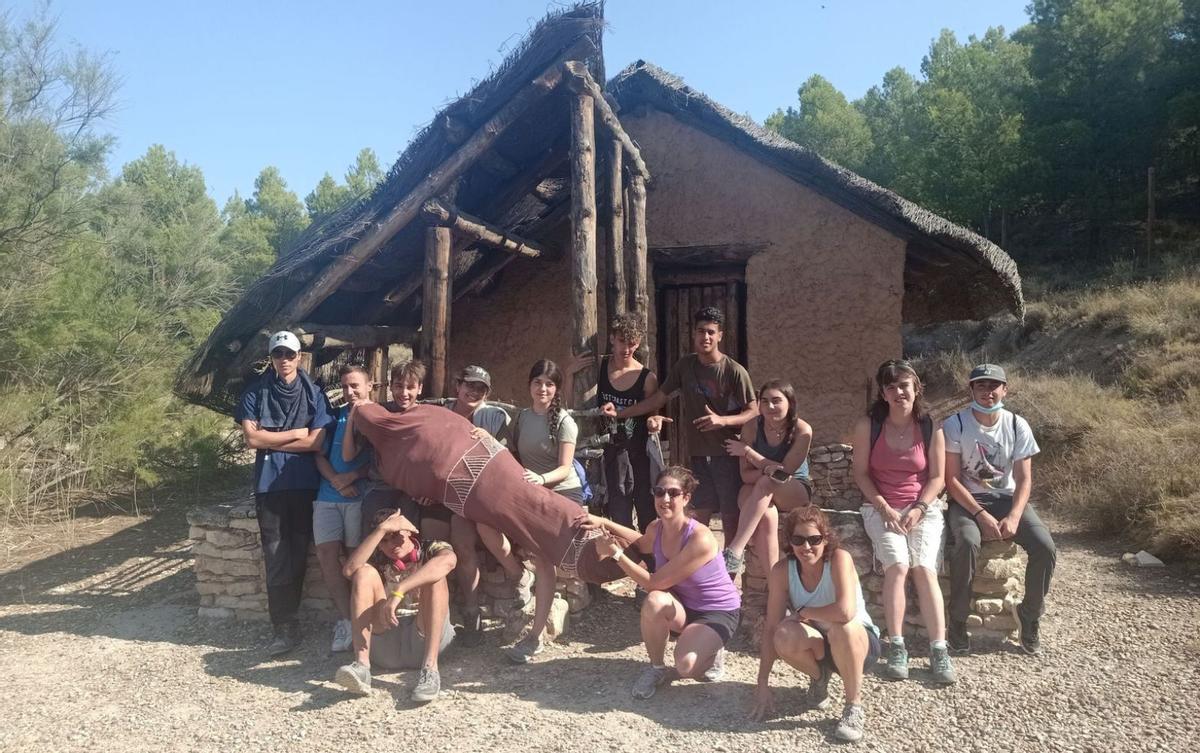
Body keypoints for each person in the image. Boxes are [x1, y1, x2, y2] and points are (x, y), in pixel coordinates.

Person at [344, 402, 643, 661]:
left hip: (532, 499)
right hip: (502, 502)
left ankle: (535, 630)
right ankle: (535, 631)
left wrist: (606, 528)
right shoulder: (391, 458)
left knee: (560, 550)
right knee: (543, 552)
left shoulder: (419, 422)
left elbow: (642, 547)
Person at [602, 307, 757, 540]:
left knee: (729, 517)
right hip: (696, 454)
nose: (706, 337)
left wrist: (722, 420)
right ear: (693, 334)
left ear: (720, 335)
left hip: (727, 455)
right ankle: (695, 569)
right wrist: (622, 414)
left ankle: (728, 572)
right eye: (701, 331)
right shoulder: (685, 367)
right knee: (698, 517)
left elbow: (753, 411)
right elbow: (658, 398)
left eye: (711, 332)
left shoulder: (734, 371)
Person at [592, 466, 742, 699]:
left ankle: (713, 649)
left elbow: (654, 582)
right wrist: (603, 521)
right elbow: (639, 543)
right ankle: (656, 668)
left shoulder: (699, 538)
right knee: (654, 603)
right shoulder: (657, 528)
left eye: (673, 493)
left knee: (686, 667)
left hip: (717, 611)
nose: (665, 499)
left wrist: (615, 554)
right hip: (684, 605)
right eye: (659, 492)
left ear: (686, 498)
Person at [851, 360, 955, 683]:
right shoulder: (869, 426)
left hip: (922, 507)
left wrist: (919, 509)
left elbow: (937, 477)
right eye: (892, 387)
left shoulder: (929, 426)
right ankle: (897, 644)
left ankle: (939, 648)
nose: (899, 392)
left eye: (904, 385)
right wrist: (884, 508)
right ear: (883, 393)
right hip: (880, 507)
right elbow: (861, 474)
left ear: (916, 388)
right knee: (897, 565)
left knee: (924, 567)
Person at [944, 363, 1055, 656]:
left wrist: (1015, 515)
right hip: (969, 501)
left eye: (994, 386)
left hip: (1006, 499)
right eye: (980, 385)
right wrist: (980, 515)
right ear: (971, 390)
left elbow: (1024, 478)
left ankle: (1029, 614)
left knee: (1045, 546)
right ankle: (957, 620)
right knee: (967, 542)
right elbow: (951, 479)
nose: (987, 392)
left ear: (1005, 389)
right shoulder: (955, 424)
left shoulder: (1017, 425)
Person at [235, 330, 335, 655]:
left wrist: (271, 438)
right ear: (272, 358)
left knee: (298, 552)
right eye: (278, 354)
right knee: (276, 555)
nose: (285, 360)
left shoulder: (314, 393)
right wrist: (295, 433)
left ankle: (292, 620)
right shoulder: (255, 394)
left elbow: (317, 441)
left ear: (299, 356)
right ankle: (283, 626)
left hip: (304, 484)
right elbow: (252, 440)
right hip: (269, 486)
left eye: (290, 354)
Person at [751, 506, 881, 743]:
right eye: (798, 539)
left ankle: (853, 706)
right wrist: (762, 682)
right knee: (783, 634)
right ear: (789, 542)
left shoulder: (840, 559)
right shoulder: (783, 571)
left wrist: (804, 612)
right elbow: (771, 627)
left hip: (859, 644)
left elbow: (844, 611)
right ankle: (820, 679)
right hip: (821, 643)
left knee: (843, 626)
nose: (806, 546)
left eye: (814, 539)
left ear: (826, 539)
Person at [442, 364, 530, 646]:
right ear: (457, 385)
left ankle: (511, 578)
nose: (473, 391)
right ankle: (467, 611)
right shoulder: (442, 415)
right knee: (453, 542)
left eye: (480, 388)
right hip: (446, 494)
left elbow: (506, 458)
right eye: (469, 384)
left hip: (482, 495)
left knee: (474, 532)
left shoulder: (493, 418)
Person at [334, 509, 456, 703]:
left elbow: (448, 561)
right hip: (387, 639)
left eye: (395, 536)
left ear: (408, 531)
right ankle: (362, 667)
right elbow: (349, 570)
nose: (391, 545)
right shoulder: (379, 558)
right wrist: (382, 529)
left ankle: (430, 671)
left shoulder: (431, 547)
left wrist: (400, 589)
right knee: (363, 573)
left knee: (435, 577)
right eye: (384, 540)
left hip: (424, 636)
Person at [565, 313, 661, 532]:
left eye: (631, 344)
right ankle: (622, 556)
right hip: (605, 449)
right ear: (612, 339)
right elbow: (574, 405)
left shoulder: (647, 378)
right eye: (621, 342)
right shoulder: (599, 366)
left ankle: (650, 557)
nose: (625, 349)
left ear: (638, 343)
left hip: (637, 449)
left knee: (646, 504)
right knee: (618, 507)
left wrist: (655, 423)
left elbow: (651, 415)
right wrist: (569, 374)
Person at [721, 379, 814, 575]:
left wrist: (748, 452)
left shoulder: (802, 430)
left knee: (766, 481)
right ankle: (775, 585)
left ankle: (735, 550)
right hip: (757, 488)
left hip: (794, 489)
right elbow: (745, 476)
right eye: (764, 401)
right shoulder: (751, 427)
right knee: (766, 514)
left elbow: (782, 474)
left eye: (776, 400)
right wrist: (769, 468)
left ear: (790, 403)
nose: (770, 406)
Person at [313, 364, 374, 653]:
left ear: (369, 386)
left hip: (358, 498)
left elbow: (378, 463)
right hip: (328, 496)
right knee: (326, 555)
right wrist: (337, 481)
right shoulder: (334, 418)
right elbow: (319, 457)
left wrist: (354, 477)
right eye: (346, 387)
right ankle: (346, 619)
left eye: (355, 386)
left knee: (354, 560)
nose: (350, 392)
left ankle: (362, 619)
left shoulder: (376, 418)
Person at [513, 359, 584, 502]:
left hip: (564, 492)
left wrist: (541, 479)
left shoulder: (565, 422)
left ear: (557, 389)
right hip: (533, 491)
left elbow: (565, 468)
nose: (542, 389)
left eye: (549, 384)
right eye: (537, 382)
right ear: (529, 385)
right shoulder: (522, 417)